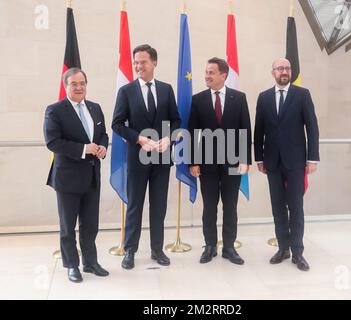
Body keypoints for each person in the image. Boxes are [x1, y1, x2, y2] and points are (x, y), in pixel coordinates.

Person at [112, 44, 181, 270]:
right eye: (136, 62)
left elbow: (176, 121)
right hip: (137, 158)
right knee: (135, 206)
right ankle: (129, 250)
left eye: (142, 61)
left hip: (162, 159)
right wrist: (139, 139)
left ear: (154, 63)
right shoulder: (126, 91)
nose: (138, 66)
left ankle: (157, 249)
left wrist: (168, 139)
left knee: (159, 206)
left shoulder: (166, 89)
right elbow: (117, 124)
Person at [44, 68, 109, 282]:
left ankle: (90, 262)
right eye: (74, 84)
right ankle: (72, 265)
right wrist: (84, 149)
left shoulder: (95, 108)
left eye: (82, 83)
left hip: (92, 176)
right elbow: (53, 142)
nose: (79, 87)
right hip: (67, 178)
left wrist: (101, 147)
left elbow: (103, 135)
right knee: (68, 227)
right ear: (66, 86)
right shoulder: (55, 110)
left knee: (90, 225)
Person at [254, 58, 319, 271]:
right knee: (278, 208)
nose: (284, 71)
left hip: (296, 162)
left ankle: (298, 252)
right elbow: (259, 131)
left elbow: (312, 127)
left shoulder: (302, 95)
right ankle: (283, 248)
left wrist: (312, 158)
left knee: (296, 207)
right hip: (272, 162)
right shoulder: (263, 98)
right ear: (273, 72)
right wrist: (259, 158)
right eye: (280, 68)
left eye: (287, 68)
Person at [188, 57, 252, 265]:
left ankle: (229, 247)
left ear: (223, 75)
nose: (206, 76)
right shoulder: (198, 100)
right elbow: (193, 133)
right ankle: (209, 246)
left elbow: (245, 130)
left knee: (230, 206)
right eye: (206, 72)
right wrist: (193, 162)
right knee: (209, 206)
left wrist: (246, 160)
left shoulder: (239, 98)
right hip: (206, 165)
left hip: (233, 164)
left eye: (211, 72)